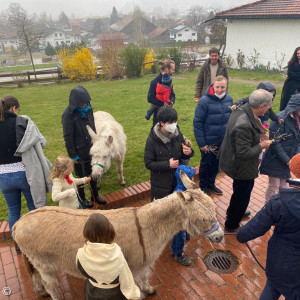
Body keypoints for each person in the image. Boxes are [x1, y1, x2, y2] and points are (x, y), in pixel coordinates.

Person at [236, 153, 300, 299]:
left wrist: (240, 235)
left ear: (293, 171)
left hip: (281, 262)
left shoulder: (279, 201)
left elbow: (248, 232)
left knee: (272, 288)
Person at [0, 96, 51, 253]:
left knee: (13, 210)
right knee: (33, 208)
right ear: (14, 108)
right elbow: (41, 142)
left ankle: (18, 245)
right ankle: (36, 242)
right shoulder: (22, 123)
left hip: (3, 178)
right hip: (25, 173)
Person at [218, 89, 273, 231]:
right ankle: (232, 224)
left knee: (238, 192)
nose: (269, 108)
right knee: (242, 194)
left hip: (235, 160)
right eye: (269, 106)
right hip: (241, 166)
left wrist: (258, 135)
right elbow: (243, 152)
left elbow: (247, 136)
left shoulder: (242, 109)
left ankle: (234, 212)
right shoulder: (244, 124)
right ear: (261, 107)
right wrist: (262, 145)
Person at [76, 213, 140, 300]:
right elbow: (126, 281)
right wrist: (133, 295)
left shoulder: (81, 254)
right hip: (113, 295)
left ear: (87, 232)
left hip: (91, 291)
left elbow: (82, 270)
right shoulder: (117, 255)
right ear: (109, 231)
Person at [62, 86, 106, 208]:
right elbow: (68, 136)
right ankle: (82, 198)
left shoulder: (89, 109)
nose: (84, 104)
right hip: (78, 152)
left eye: (86, 102)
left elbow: (93, 127)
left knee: (93, 172)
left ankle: (95, 195)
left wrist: (97, 143)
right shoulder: (68, 115)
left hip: (91, 149)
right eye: (81, 103)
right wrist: (73, 156)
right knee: (81, 177)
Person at [193, 75, 233, 196]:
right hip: (208, 141)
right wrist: (202, 143)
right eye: (217, 87)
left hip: (222, 140)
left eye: (222, 87)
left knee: (216, 164)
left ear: (226, 87)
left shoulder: (229, 99)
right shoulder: (204, 101)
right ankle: (203, 186)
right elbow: (197, 123)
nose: (220, 89)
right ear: (213, 86)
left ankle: (211, 183)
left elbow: (230, 119)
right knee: (206, 164)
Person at [144, 105, 194, 201]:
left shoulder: (177, 134)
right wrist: (168, 164)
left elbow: (183, 153)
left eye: (175, 121)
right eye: (171, 122)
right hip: (160, 184)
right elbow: (148, 163)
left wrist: (188, 152)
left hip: (177, 180)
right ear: (162, 123)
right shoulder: (152, 140)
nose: (174, 125)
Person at [260, 93, 300, 202]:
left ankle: (282, 208)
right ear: (295, 107)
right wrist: (287, 160)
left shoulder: (298, 120)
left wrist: (296, 157)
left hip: (289, 159)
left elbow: (298, 141)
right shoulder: (280, 120)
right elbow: (275, 144)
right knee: (274, 185)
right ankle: (267, 208)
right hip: (275, 159)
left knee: (285, 186)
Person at [171, 165, 196, 266]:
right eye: (191, 177)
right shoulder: (182, 194)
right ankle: (179, 254)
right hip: (181, 221)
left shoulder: (179, 189)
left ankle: (173, 249)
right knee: (181, 237)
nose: (193, 179)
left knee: (177, 235)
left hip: (178, 221)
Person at [147, 59, 176, 125]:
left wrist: (172, 101)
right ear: (166, 69)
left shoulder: (169, 81)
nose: (173, 71)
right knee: (156, 133)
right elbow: (150, 98)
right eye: (172, 69)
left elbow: (172, 94)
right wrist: (163, 103)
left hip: (169, 114)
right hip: (158, 115)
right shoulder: (155, 82)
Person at [280, 46, 300, 111]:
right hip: (290, 86)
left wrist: (292, 75)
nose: (299, 55)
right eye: (297, 53)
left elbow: (291, 75)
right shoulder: (291, 63)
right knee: (287, 100)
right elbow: (290, 74)